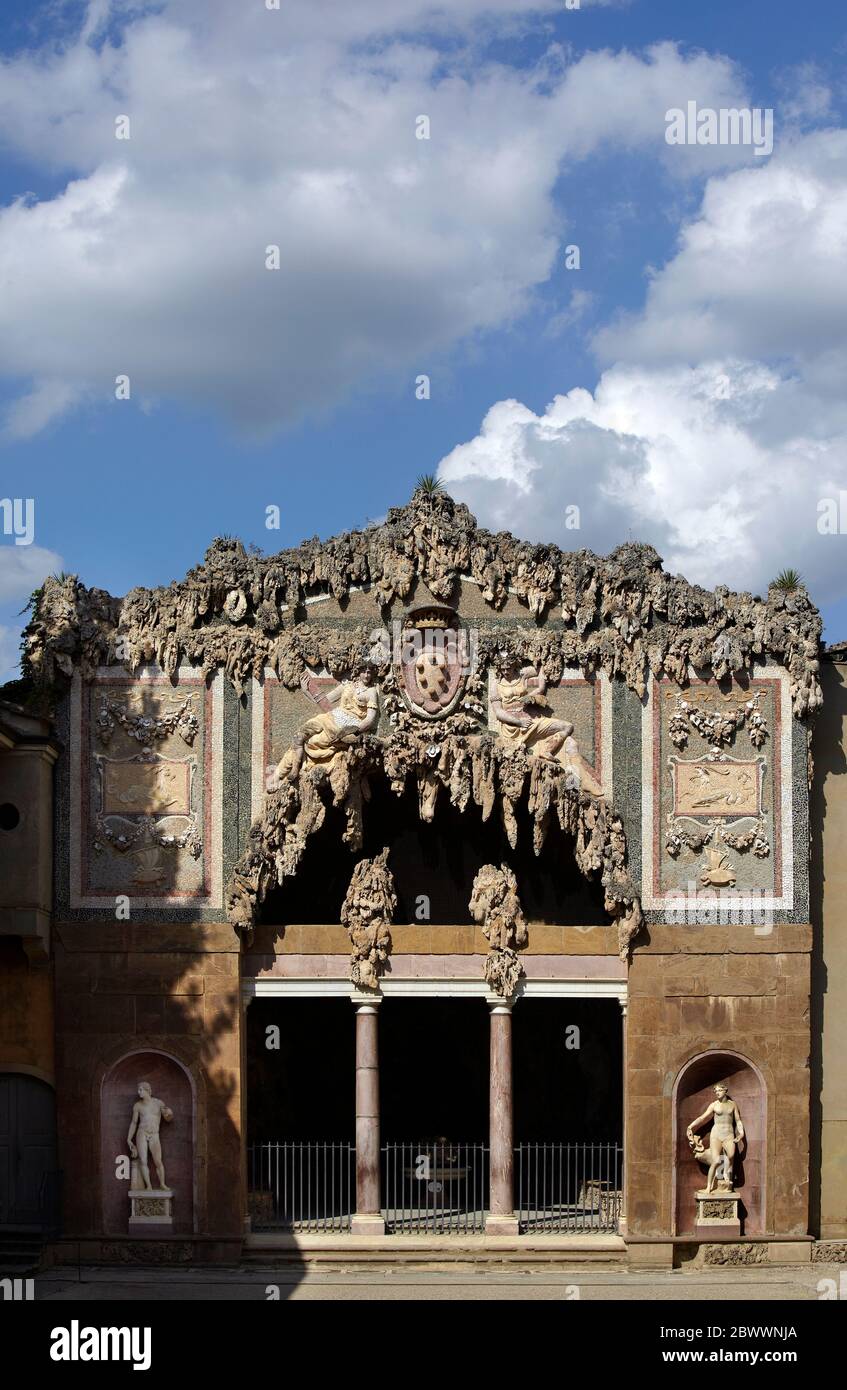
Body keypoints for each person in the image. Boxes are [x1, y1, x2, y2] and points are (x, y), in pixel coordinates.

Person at [491, 657, 603, 796]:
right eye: (503, 669)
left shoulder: (522, 674)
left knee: (568, 728)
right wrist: (518, 722)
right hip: (513, 727)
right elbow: (498, 712)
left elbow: (540, 668)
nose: (506, 672)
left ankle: (548, 751)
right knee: (569, 740)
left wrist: (537, 691)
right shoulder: (496, 684)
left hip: (531, 719)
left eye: (508, 668)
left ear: (514, 666)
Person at [268, 665, 379, 784]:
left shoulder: (372, 692)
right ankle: (294, 768)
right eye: (364, 672)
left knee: (312, 742)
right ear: (358, 672)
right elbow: (325, 700)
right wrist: (306, 691)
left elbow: (370, 719)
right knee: (299, 736)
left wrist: (353, 731)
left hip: (344, 727)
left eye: (369, 672)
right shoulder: (347, 684)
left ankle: (286, 774)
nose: (366, 675)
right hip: (329, 717)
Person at [687, 1083, 745, 1193]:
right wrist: (690, 1126)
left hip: (728, 1134)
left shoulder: (733, 1105)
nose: (717, 1093)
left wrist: (741, 1134)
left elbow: (738, 1120)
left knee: (731, 1155)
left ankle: (727, 1179)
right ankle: (709, 1187)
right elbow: (702, 1117)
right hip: (716, 1135)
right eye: (716, 1091)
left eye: (719, 1090)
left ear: (725, 1091)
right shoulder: (714, 1105)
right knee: (716, 1161)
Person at [127, 1081, 173, 1190]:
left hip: (154, 1135)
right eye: (138, 1090)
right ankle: (149, 1186)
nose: (139, 1093)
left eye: (140, 1090)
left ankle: (162, 1184)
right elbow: (134, 1123)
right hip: (142, 1133)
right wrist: (129, 1139)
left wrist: (170, 1114)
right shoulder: (137, 1105)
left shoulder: (159, 1103)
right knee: (143, 1160)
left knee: (158, 1161)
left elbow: (168, 1118)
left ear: (147, 1090)